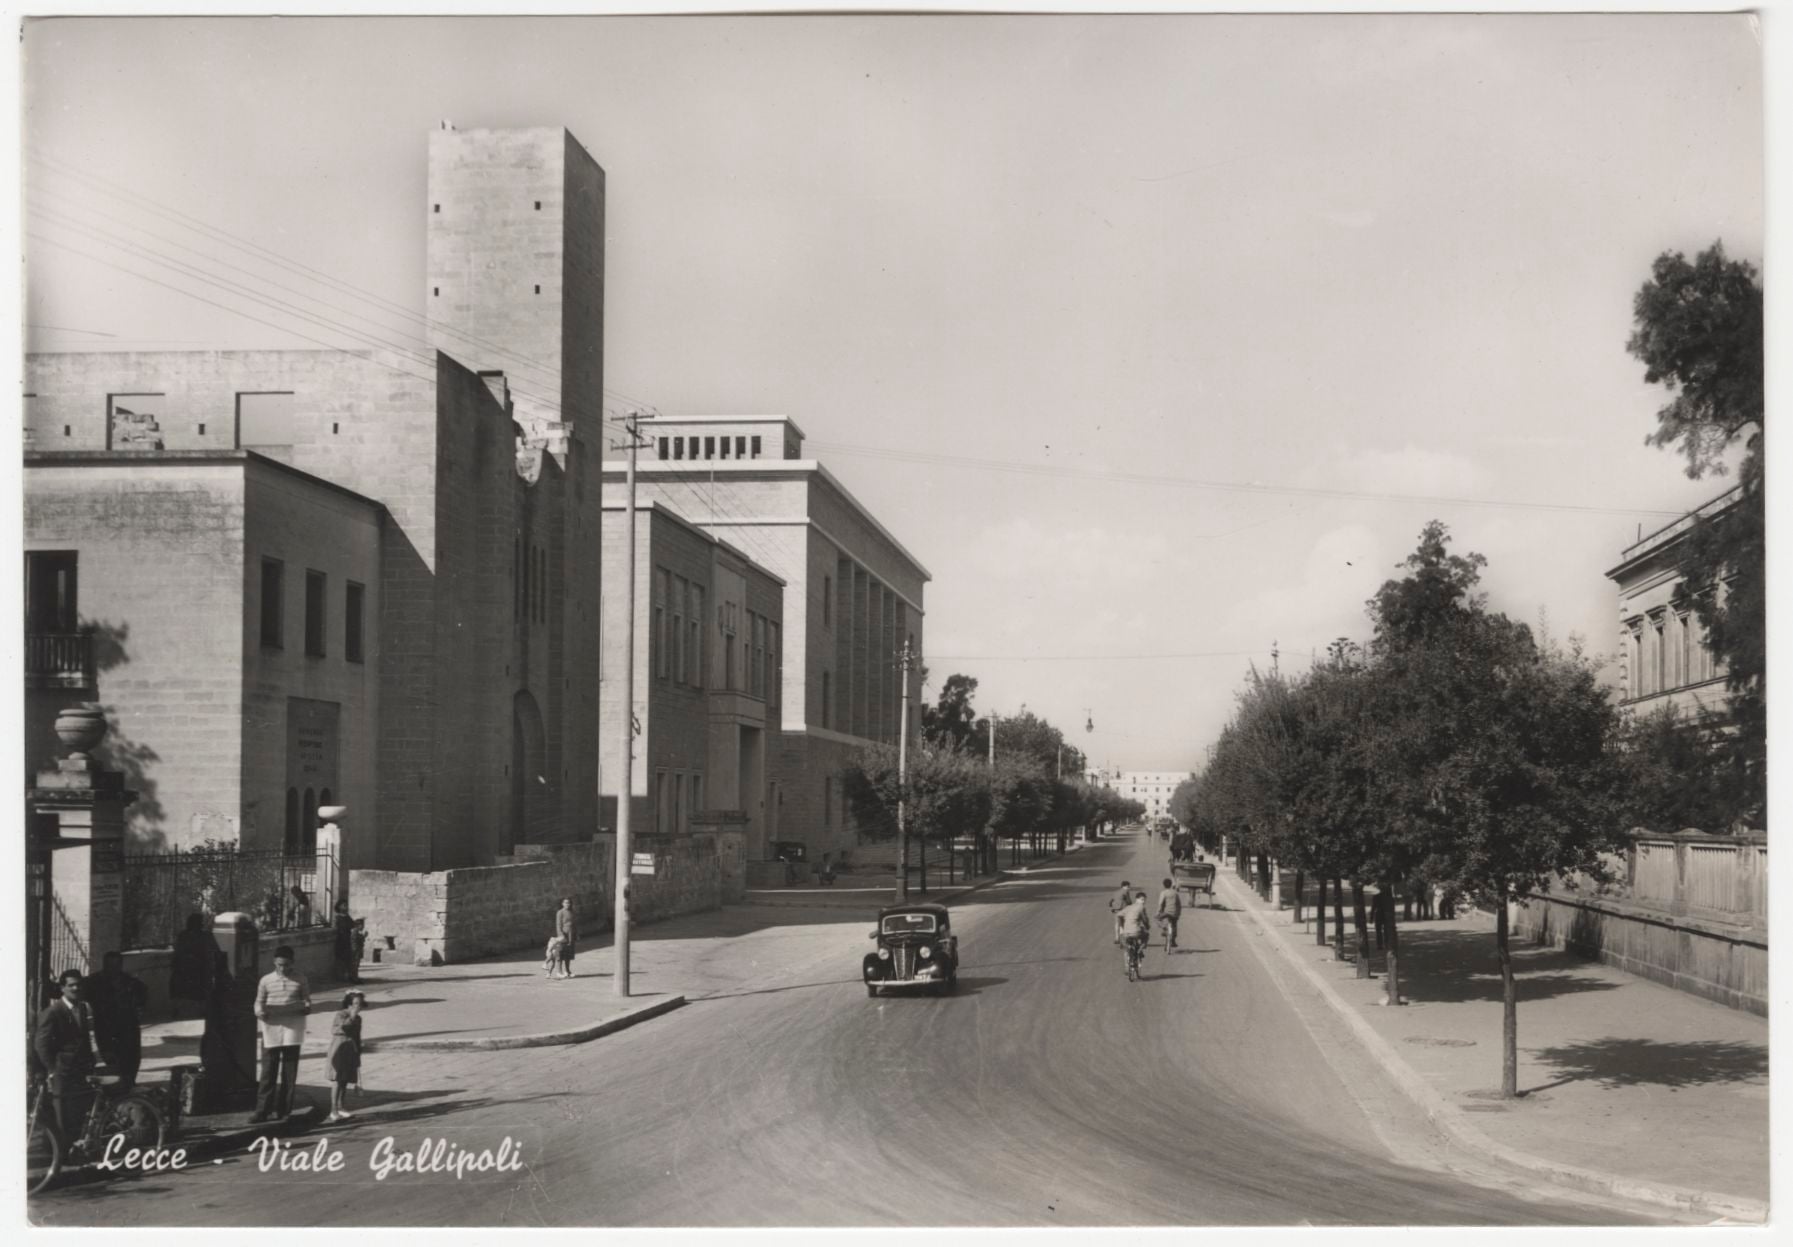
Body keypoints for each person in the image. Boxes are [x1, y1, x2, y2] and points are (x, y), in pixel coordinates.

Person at [250, 945, 312, 1123]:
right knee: (268, 1070)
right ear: (274, 963)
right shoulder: (266, 980)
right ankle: (262, 1111)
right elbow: (258, 1002)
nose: (282, 968)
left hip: (293, 1027)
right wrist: (259, 1012)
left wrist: (306, 1007)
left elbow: (307, 1000)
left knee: (289, 1071)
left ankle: (284, 1110)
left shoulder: (300, 979)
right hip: (271, 1028)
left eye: (286, 965)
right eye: (279, 965)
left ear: (292, 963)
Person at [34, 968, 99, 1136]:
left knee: (79, 1112)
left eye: (79, 985)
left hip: (80, 1070)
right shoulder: (52, 1012)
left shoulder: (83, 1008)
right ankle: (62, 1149)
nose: (76, 988)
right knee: (62, 1115)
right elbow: (41, 1045)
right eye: (71, 985)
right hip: (62, 1072)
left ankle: (75, 1145)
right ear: (62, 988)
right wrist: (52, 1069)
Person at [87, 951, 148, 1087]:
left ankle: (129, 1083)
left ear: (121, 965)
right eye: (109, 965)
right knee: (111, 1059)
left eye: (116, 965)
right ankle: (118, 1086)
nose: (113, 969)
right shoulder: (95, 981)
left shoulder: (129, 981)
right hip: (106, 1027)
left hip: (128, 1027)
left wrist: (138, 1009)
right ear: (104, 965)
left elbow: (142, 994)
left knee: (131, 1058)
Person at [324, 990, 366, 1124]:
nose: (358, 1007)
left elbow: (357, 1035)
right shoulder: (341, 1014)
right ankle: (333, 1110)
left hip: (351, 1049)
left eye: (360, 1004)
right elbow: (337, 1030)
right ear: (349, 1004)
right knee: (337, 1079)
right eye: (355, 1003)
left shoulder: (359, 1018)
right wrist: (351, 1017)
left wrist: (358, 1051)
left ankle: (341, 1106)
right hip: (339, 1048)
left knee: (345, 1079)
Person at [170, 913, 219, 1020]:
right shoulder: (205, 936)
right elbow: (215, 951)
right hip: (197, 970)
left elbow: (177, 952)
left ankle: (180, 1011)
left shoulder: (183, 935)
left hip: (189, 970)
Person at [1117, 890, 1152, 962]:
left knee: (1124, 941)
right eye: (1142, 899)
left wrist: (1121, 926)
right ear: (1137, 899)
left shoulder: (1128, 907)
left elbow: (1118, 915)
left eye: (1144, 900)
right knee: (1146, 935)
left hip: (1126, 932)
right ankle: (1140, 950)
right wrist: (1147, 926)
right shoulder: (1141, 907)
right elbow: (1145, 920)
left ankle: (1128, 951)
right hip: (1136, 932)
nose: (1143, 902)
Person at [332, 899, 357, 982]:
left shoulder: (347, 917)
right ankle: (340, 976)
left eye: (346, 905)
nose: (346, 907)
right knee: (340, 958)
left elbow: (352, 925)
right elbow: (335, 928)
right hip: (340, 940)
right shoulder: (337, 917)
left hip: (347, 939)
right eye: (344, 905)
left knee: (348, 958)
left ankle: (348, 976)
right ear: (339, 907)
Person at [1156, 878, 1183, 950]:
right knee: (1174, 925)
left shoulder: (1163, 893)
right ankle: (1173, 940)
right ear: (1171, 885)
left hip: (1166, 913)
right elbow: (1179, 904)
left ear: (1164, 885)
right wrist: (1178, 913)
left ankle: (1164, 929)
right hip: (1174, 913)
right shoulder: (1175, 893)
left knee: (1157, 919)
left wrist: (1158, 912)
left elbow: (1160, 903)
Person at [553, 898, 576, 980]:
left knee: (568, 954)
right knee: (560, 953)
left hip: (571, 935)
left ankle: (567, 971)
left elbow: (574, 924)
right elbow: (558, 925)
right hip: (563, 935)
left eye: (569, 903)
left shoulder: (572, 912)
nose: (567, 904)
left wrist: (576, 934)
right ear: (562, 904)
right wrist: (561, 935)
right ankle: (559, 972)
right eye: (565, 903)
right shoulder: (560, 912)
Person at [1109, 879, 1135, 945]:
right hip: (1123, 910)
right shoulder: (1126, 892)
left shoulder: (1116, 892)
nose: (1129, 888)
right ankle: (1123, 939)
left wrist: (1113, 908)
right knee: (1123, 924)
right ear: (1125, 886)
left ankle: (1117, 938)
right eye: (1128, 887)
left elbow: (1110, 902)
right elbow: (1129, 902)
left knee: (1117, 924)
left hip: (1116, 910)